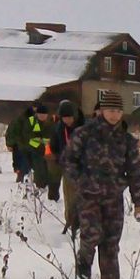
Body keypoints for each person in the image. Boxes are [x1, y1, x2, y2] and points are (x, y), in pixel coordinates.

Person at [61, 90, 140, 279]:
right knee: (92, 234)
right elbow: (68, 161)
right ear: (101, 111)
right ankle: (84, 263)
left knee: (111, 242)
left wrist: (138, 202)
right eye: (110, 110)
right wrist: (81, 182)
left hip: (113, 198)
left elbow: (134, 172)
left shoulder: (126, 140)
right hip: (88, 195)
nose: (114, 115)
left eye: (118, 111)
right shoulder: (84, 134)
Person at [51, 99, 85, 235]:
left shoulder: (85, 127)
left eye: (69, 117)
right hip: (67, 168)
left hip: (84, 168)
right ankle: (71, 222)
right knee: (69, 196)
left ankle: (84, 223)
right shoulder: (59, 129)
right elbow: (54, 146)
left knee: (84, 196)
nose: (67, 121)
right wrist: (60, 157)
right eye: (64, 118)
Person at [26, 102, 62, 201]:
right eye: (40, 114)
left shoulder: (52, 122)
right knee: (39, 172)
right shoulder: (32, 122)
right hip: (36, 152)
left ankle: (51, 195)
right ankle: (39, 192)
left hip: (50, 153)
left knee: (51, 174)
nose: (42, 116)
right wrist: (41, 145)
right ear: (37, 114)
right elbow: (29, 138)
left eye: (44, 114)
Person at [5, 102, 47, 184]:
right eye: (35, 107)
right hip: (21, 144)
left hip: (31, 145)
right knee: (22, 162)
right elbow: (13, 130)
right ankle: (20, 176)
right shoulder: (23, 118)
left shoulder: (38, 120)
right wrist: (10, 143)